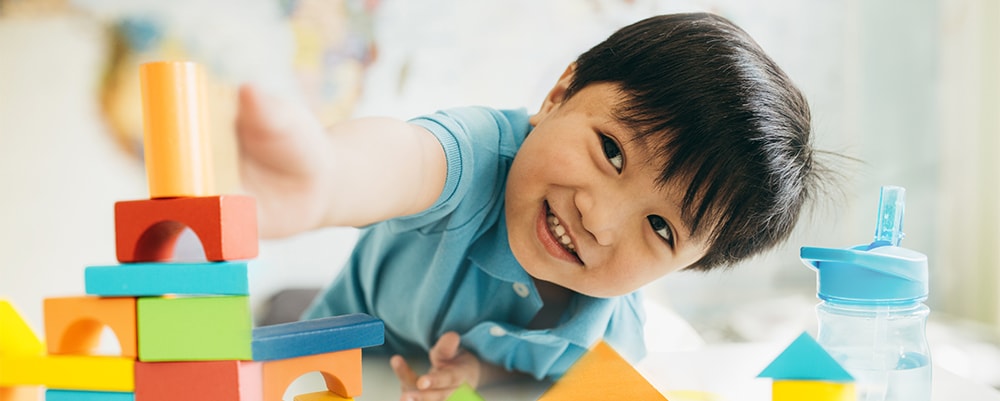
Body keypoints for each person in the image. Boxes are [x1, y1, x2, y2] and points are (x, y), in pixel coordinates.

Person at [236, 12, 825, 401]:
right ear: (558, 94)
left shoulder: (610, 338)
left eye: (660, 228)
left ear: (682, 268)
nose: (599, 220)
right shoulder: (483, 156)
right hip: (335, 338)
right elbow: (408, 159)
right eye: (612, 152)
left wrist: (476, 370)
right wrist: (328, 178)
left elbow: (538, 368)